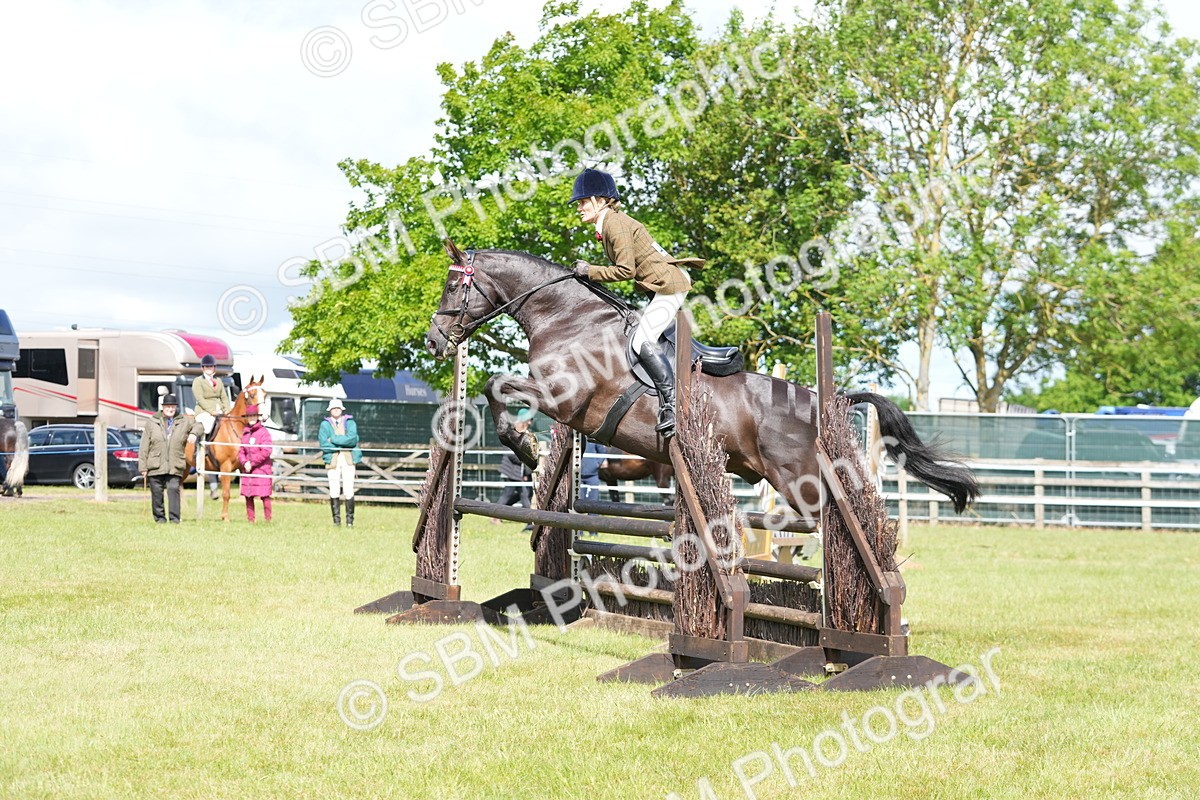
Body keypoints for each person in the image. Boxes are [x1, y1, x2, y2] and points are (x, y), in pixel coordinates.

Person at [569, 168, 702, 438]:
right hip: (660, 287)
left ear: (599, 201)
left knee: (641, 340)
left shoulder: (614, 224)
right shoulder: (611, 223)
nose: (579, 208)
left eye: (583, 202)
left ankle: (672, 404)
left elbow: (625, 271)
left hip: (669, 288)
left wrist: (589, 271)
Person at [138, 393, 201, 523]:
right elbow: (144, 446)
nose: (170, 409)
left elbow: (199, 425)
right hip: (155, 463)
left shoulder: (184, 421)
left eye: (172, 406)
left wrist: (194, 433)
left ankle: (174, 519)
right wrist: (143, 466)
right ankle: (160, 518)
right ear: (163, 407)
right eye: (168, 407)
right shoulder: (152, 422)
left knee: (173, 489)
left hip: (175, 463)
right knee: (156, 492)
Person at [318, 397, 362, 527]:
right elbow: (324, 443)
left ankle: (350, 522)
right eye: (333, 408)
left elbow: (352, 439)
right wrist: (341, 444)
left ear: (341, 410)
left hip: (348, 459)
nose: (336, 410)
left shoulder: (350, 422)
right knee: (334, 490)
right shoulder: (324, 424)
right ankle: (336, 522)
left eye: (338, 408)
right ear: (330, 410)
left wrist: (334, 440)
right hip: (332, 459)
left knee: (349, 489)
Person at [192, 353, 231, 499]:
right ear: (203, 368)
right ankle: (200, 451)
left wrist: (227, 411)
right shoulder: (198, 381)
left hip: (219, 411)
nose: (209, 368)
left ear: (214, 368)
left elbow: (224, 398)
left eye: (211, 366)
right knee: (207, 426)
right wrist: (211, 411)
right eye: (207, 366)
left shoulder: (219, 381)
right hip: (204, 412)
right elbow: (200, 399)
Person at [494, 416, 533, 526]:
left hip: (518, 472)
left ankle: (528, 520)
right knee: (509, 494)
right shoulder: (511, 437)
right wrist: (526, 457)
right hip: (511, 471)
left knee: (521, 495)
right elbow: (513, 456)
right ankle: (495, 515)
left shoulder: (523, 436)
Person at [238, 404, 273, 523]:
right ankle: (250, 520)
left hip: (262, 469)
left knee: (265, 496)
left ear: (257, 417)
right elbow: (241, 451)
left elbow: (266, 451)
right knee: (248, 496)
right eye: (249, 416)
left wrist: (252, 463)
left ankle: (268, 519)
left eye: (253, 416)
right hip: (248, 469)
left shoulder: (264, 432)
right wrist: (244, 462)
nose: (251, 418)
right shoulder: (245, 433)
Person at [579, 437, 604, 504]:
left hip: (593, 475)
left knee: (593, 500)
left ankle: (593, 514)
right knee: (580, 500)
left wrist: (597, 463)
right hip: (578, 476)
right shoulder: (577, 437)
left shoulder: (594, 438)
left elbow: (602, 452)